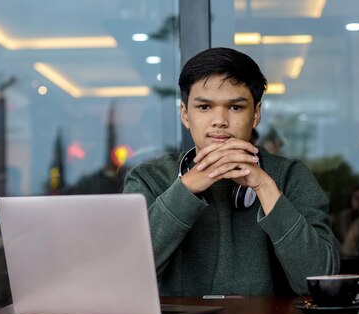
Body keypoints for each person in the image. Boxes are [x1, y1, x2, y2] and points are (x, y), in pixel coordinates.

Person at [123, 47, 339, 296]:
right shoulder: (149, 179)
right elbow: (126, 279)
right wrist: (186, 189)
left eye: (235, 107)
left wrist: (265, 188)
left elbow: (322, 282)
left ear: (256, 114)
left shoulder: (290, 176)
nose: (219, 121)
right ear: (185, 114)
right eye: (204, 107)